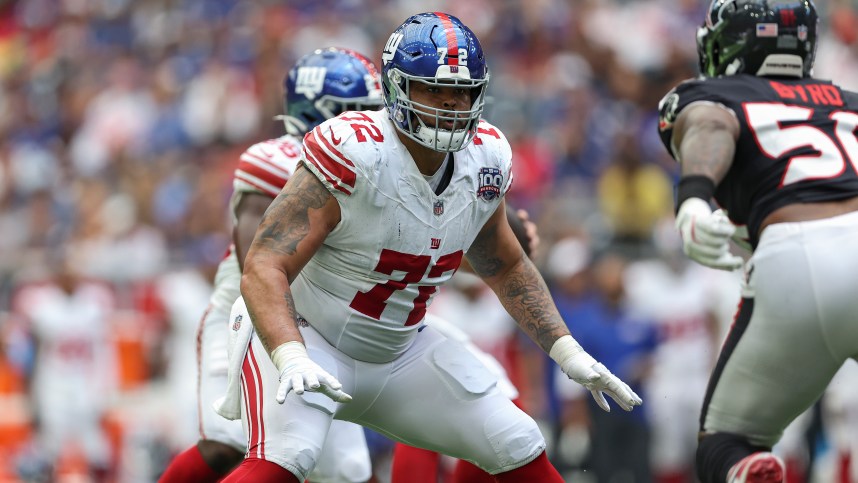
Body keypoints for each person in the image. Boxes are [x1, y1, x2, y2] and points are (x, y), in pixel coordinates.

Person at [221, 12, 641, 483]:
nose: (449, 104)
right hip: (311, 338)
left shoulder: (485, 157)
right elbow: (263, 263)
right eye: (432, 89)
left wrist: (568, 353)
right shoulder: (354, 149)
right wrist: (290, 355)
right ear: (398, 89)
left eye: (461, 91)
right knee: (288, 457)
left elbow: (504, 266)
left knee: (517, 441)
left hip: (400, 348)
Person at [159, 47, 384, 483]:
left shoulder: (378, 171)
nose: (375, 123)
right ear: (326, 111)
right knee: (228, 444)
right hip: (246, 319)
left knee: (348, 472)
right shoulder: (276, 161)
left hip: (323, 330)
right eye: (363, 110)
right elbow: (255, 264)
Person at [657, 1, 858, 482]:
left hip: (801, 255)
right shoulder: (851, 102)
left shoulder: (710, 95)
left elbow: (711, 122)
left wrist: (694, 195)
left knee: (726, 443)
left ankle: (748, 468)